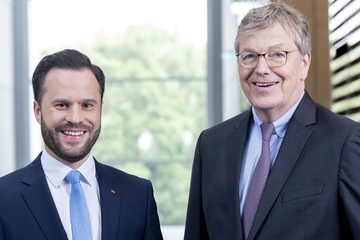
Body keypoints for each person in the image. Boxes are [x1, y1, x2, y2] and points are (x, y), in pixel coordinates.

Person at [184, 1, 360, 239]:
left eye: (277, 54)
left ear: (304, 63)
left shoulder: (345, 142)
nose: (262, 69)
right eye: (249, 56)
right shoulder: (211, 144)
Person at [0, 49, 163, 240]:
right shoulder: (4, 198)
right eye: (62, 105)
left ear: (100, 109)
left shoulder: (137, 194)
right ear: (38, 111)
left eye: (87, 105)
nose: (75, 118)